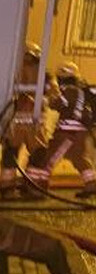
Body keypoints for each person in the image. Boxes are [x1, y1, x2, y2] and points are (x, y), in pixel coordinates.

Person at [25, 62, 96, 199]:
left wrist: (50, 96)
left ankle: (38, 187)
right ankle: (92, 185)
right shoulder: (81, 91)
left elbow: (57, 104)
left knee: (50, 157)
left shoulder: (67, 90)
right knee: (79, 158)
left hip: (67, 131)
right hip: (80, 131)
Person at [1, 44, 58, 200]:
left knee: (11, 152)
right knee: (38, 153)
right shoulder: (43, 73)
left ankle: (8, 189)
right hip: (34, 121)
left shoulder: (12, 69)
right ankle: (33, 187)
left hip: (16, 120)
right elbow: (55, 94)